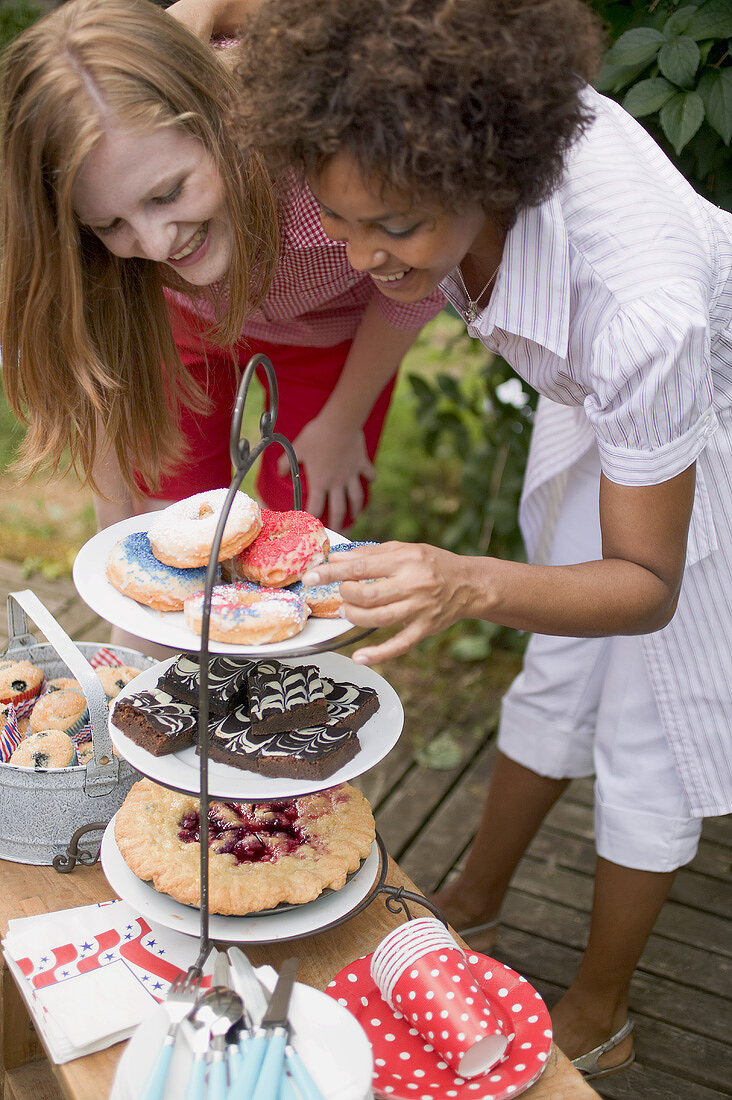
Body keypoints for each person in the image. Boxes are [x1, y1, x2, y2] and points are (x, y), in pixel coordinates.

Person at [184, 0, 732, 1078]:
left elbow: (648, 583)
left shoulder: (639, 307)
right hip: (608, 404)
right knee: (556, 661)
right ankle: (474, 900)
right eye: (340, 224)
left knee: (647, 730)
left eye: (395, 227)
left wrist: (463, 580)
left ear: (491, 172)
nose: (364, 259)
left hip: (705, 416)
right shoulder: (416, 125)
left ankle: (602, 1004)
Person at [0, 0, 444, 572]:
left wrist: (341, 422)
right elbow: (105, 380)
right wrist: (119, 554)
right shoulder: (111, 230)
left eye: (167, 194)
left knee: (307, 532)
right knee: (171, 524)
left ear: (226, 122)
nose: (157, 245)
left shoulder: (333, 163)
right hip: (188, 327)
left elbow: (414, 291)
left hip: (335, 337)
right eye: (111, 224)